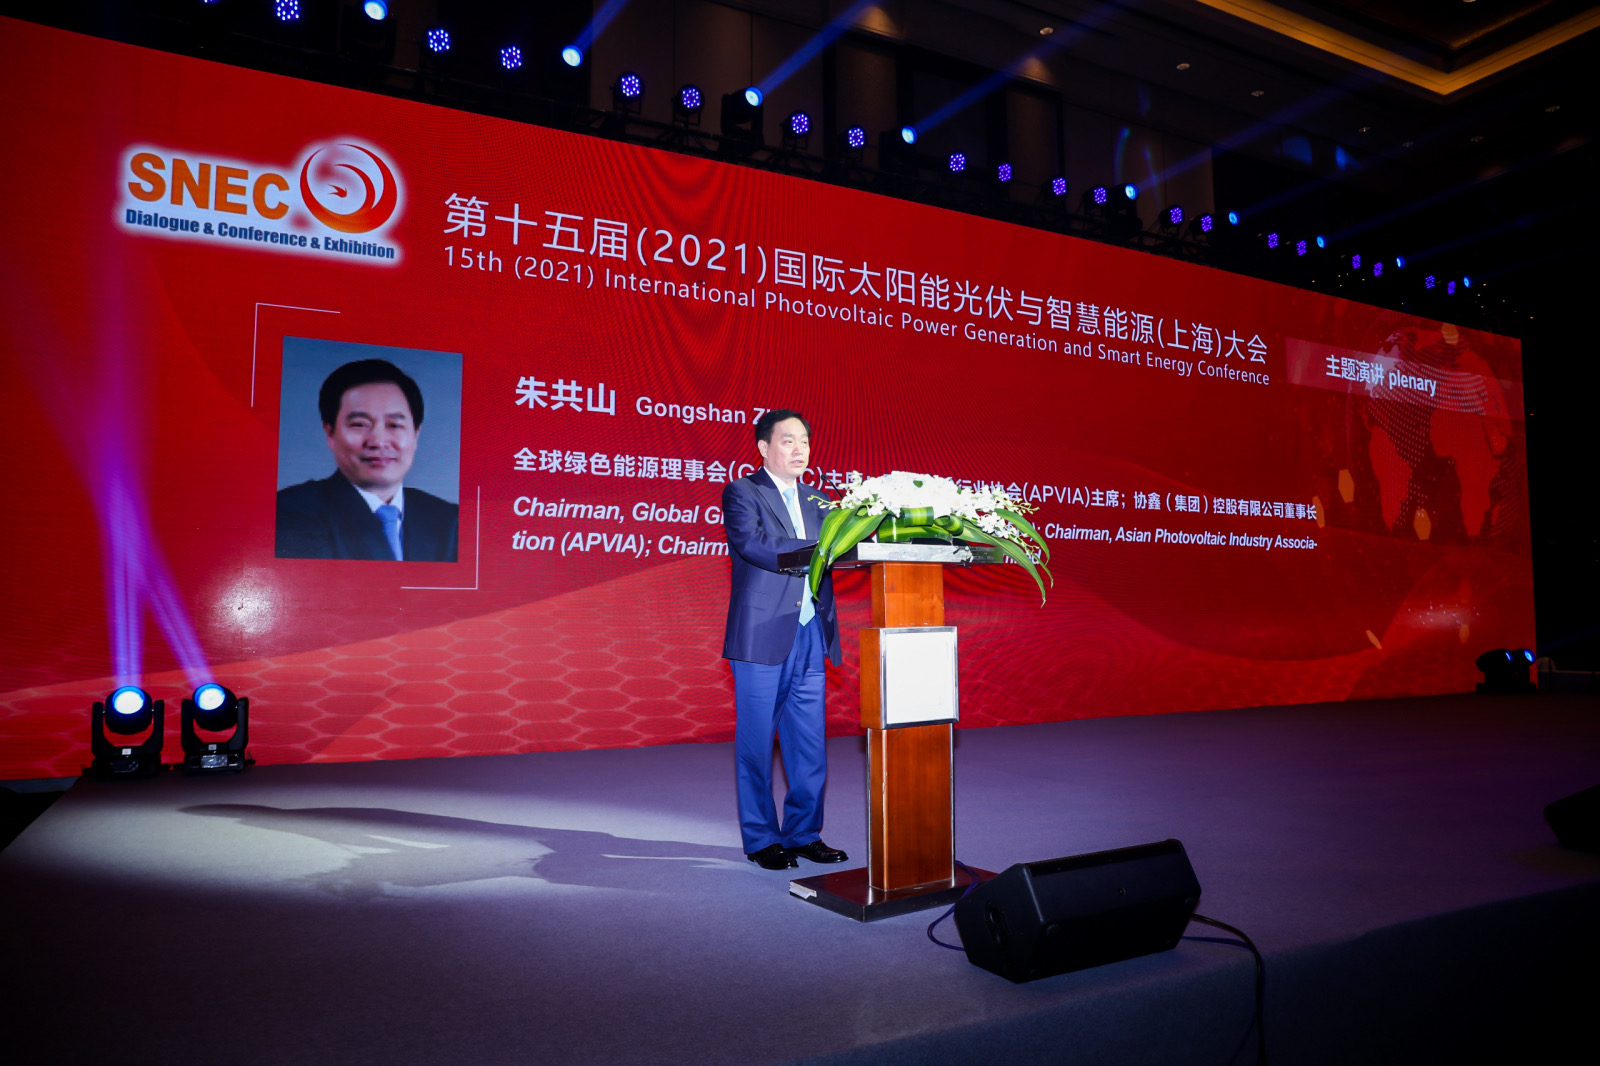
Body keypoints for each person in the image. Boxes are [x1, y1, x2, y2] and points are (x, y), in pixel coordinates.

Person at [722, 409, 848, 870]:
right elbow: (754, 545)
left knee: (808, 744)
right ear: (764, 447)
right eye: (788, 440)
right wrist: (821, 551)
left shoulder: (822, 502)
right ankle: (761, 839)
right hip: (761, 635)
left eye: (805, 442)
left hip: (811, 632)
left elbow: (844, 551)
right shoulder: (743, 492)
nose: (799, 450)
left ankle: (803, 833)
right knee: (757, 745)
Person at [275, 358, 459, 562]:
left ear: (416, 434)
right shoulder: (292, 510)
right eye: (359, 424)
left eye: (394, 425)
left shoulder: (449, 520)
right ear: (330, 432)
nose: (378, 441)